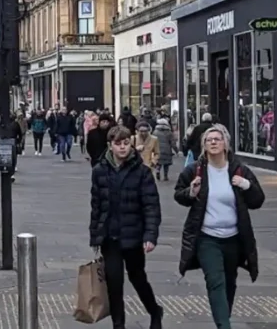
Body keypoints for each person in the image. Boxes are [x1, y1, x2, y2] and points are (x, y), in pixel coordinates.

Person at [174, 124, 265, 329]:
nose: (213, 142)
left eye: (217, 139)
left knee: (229, 283)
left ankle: (223, 319)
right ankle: (224, 326)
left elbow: (257, 200)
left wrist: (246, 185)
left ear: (226, 144)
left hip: (233, 238)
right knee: (215, 281)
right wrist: (191, 191)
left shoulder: (239, 169)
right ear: (204, 146)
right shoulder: (195, 170)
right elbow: (178, 194)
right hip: (207, 238)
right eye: (209, 140)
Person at [89, 125, 163, 329]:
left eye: (126, 143)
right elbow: (97, 205)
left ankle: (155, 311)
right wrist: (95, 235)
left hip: (134, 235)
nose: (122, 148)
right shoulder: (99, 171)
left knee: (138, 278)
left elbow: (151, 206)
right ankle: (118, 324)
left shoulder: (142, 172)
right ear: (110, 146)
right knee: (114, 283)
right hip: (110, 237)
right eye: (118, 144)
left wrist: (150, 235)